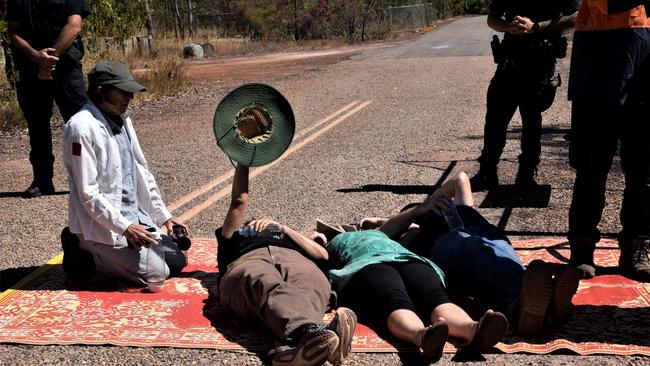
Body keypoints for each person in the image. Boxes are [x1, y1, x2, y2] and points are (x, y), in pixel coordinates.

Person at [359, 172, 579, 336]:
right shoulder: (415, 230)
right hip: (447, 243)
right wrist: (418, 212)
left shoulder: (461, 207)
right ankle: (544, 302)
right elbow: (382, 236)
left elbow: (460, 178)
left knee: (495, 255)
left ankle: (522, 309)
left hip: (489, 235)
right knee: (478, 249)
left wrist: (433, 199)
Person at [317, 204, 509, 362]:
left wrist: (376, 222)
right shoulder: (332, 242)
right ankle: (422, 336)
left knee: (436, 296)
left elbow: (415, 228)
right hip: (364, 264)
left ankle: (474, 330)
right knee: (394, 297)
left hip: (406, 258)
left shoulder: (384, 234)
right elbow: (313, 251)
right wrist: (316, 237)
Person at [215, 163, 356, 366]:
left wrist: (285, 228)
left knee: (313, 282)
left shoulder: (285, 235)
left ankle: (289, 354)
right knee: (263, 281)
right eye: (252, 222)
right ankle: (311, 332)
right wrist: (243, 161)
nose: (258, 223)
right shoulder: (232, 237)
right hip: (249, 261)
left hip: (293, 258)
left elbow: (322, 255)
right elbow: (239, 201)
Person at [61, 61, 188, 286]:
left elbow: (141, 171)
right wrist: (125, 228)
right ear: (101, 90)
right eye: (123, 92)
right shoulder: (80, 127)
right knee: (157, 275)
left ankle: (113, 255)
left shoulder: (123, 118)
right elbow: (88, 193)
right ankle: (81, 250)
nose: (129, 98)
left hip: (132, 218)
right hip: (102, 226)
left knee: (178, 260)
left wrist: (164, 217)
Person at [566, 0, 650, 281]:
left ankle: (636, 245)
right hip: (596, 57)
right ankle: (582, 245)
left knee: (643, 168)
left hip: (643, 56)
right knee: (591, 165)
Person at [470, 0, 579, 190]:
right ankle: (487, 172)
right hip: (510, 61)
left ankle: (526, 174)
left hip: (541, 62)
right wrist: (508, 27)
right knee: (495, 117)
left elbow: (576, 17)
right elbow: (492, 19)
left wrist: (536, 27)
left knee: (531, 119)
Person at [6, 0, 90, 198]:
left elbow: (74, 25)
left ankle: (88, 180)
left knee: (81, 124)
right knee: (37, 125)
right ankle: (42, 181)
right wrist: (37, 57)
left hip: (66, 68)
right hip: (30, 68)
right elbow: (13, 31)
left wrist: (50, 59)